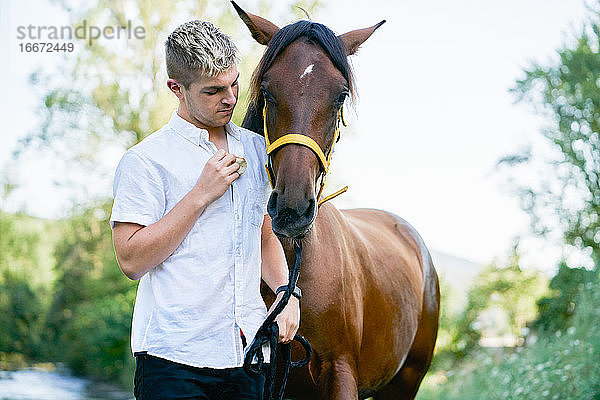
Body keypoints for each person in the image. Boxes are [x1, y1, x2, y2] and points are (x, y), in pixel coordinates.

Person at [110, 20, 300, 400]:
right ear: (176, 89)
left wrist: (284, 294)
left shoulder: (257, 150)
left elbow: (262, 236)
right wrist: (200, 195)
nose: (230, 98)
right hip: (173, 362)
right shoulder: (145, 161)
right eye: (213, 91)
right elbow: (130, 260)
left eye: (234, 84)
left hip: (247, 356)